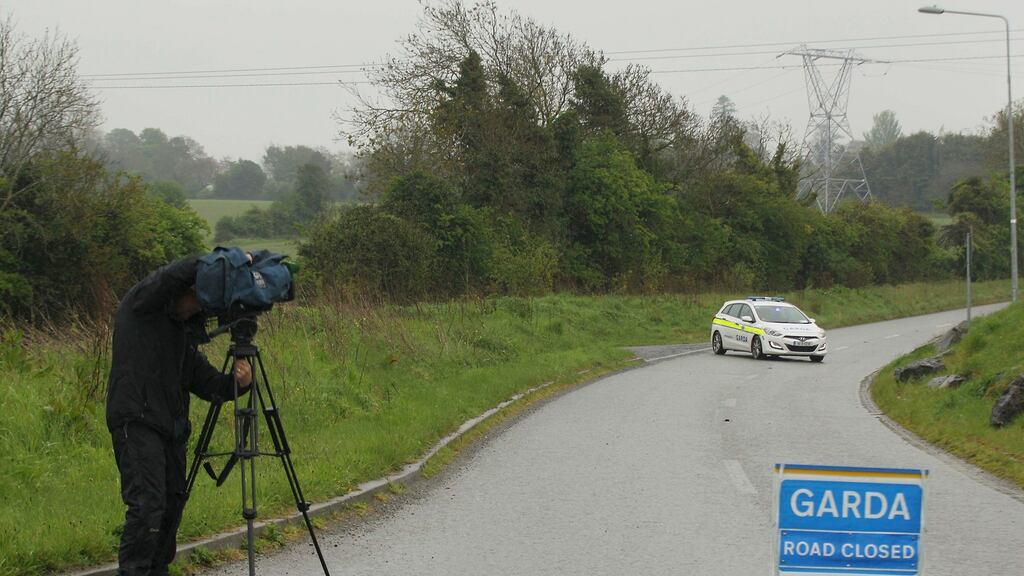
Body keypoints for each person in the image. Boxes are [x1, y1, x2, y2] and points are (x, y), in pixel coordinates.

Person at [106, 254, 252, 576]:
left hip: (170, 428)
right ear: (181, 291)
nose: (198, 306)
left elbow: (210, 383)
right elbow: (170, 275)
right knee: (147, 507)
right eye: (195, 297)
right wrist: (222, 260)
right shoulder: (142, 306)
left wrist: (240, 384)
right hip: (137, 419)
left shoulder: (181, 336)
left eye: (204, 303)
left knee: (171, 508)